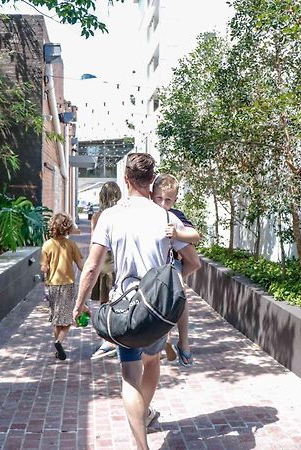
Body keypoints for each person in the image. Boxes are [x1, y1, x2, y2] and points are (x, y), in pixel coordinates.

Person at [73, 153, 201, 450]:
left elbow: (91, 267)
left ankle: (141, 445)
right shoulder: (165, 216)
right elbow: (192, 259)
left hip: (125, 310)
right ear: (151, 181)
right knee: (152, 362)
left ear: (126, 179)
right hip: (157, 309)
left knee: (130, 376)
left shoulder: (110, 216)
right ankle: (144, 414)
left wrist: (78, 303)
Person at [151, 174, 200, 367]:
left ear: (175, 200)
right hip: (155, 267)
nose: (163, 204)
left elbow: (195, 236)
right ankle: (166, 340)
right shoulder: (147, 213)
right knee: (163, 303)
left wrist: (177, 233)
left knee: (180, 300)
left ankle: (183, 340)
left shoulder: (176, 216)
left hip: (172, 264)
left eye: (168, 200)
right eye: (159, 198)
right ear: (151, 195)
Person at [40, 212, 84, 360]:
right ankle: (59, 342)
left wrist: (45, 271)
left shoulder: (47, 245)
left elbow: (44, 267)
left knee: (56, 317)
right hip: (67, 285)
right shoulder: (71, 244)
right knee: (67, 319)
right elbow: (80, 265)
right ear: (68, 228)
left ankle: (58, 347)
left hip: (52, 285)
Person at [89, 181, 122, 360]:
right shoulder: (123, 215)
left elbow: (94, 243)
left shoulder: (97, 216)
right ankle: (117, 339)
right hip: (118, 263)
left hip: (103, 264)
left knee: (104, 305)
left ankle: (108, 339)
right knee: (119, 304)